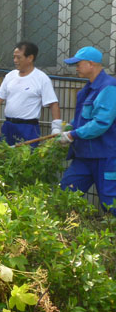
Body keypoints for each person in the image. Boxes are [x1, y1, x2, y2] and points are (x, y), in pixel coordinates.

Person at [58, 46, 116, 216]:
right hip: (84, 155)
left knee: (110, 203)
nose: (76, 68)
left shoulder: (109, 88)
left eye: (78, 64)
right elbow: (83, 118)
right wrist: (70, 127)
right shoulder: (88, 89)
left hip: (106, 156)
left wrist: (72, 135)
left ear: (91, 64)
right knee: (66, 192)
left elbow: (101, 123)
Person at [0, 41, 61, 146]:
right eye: (14, 57)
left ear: (30, 58)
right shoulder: (10, 76)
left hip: (28, 127)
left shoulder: (41, 78)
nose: (15, 60)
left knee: (27, 155)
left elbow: (53, 103)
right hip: (8, 126)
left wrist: (56, 127)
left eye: (18, 57)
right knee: (4, 154)